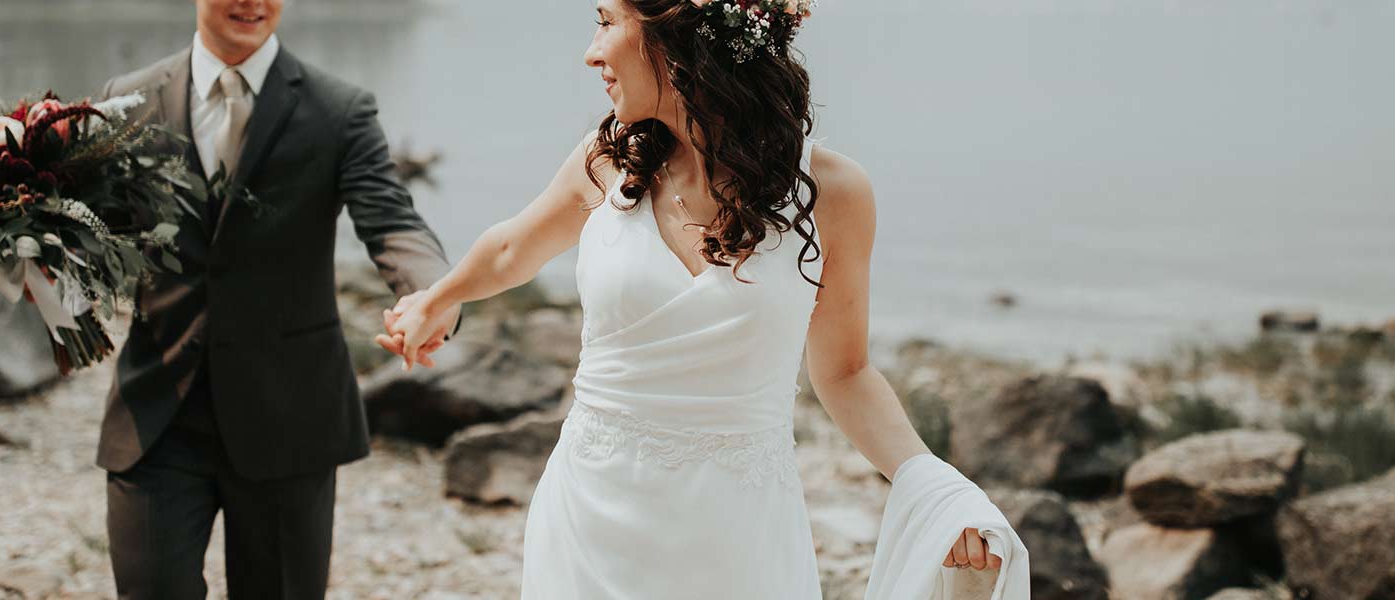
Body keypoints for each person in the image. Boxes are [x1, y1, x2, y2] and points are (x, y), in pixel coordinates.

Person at [378, 0, 1023, 596]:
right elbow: (512, 249)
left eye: (606, 21)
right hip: (589, 521)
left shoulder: (833, 194)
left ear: (675, 33)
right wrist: (439, 298)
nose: (591, 51)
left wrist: (934, 483)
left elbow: (845, 373)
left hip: (741, 538)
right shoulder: (611, 159)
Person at [94, 0, 459, 596]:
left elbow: (394, 224)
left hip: (290, 417)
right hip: (158, 413)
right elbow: (87, 229)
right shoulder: (126, 100)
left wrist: (433, 296)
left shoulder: (339, 110)